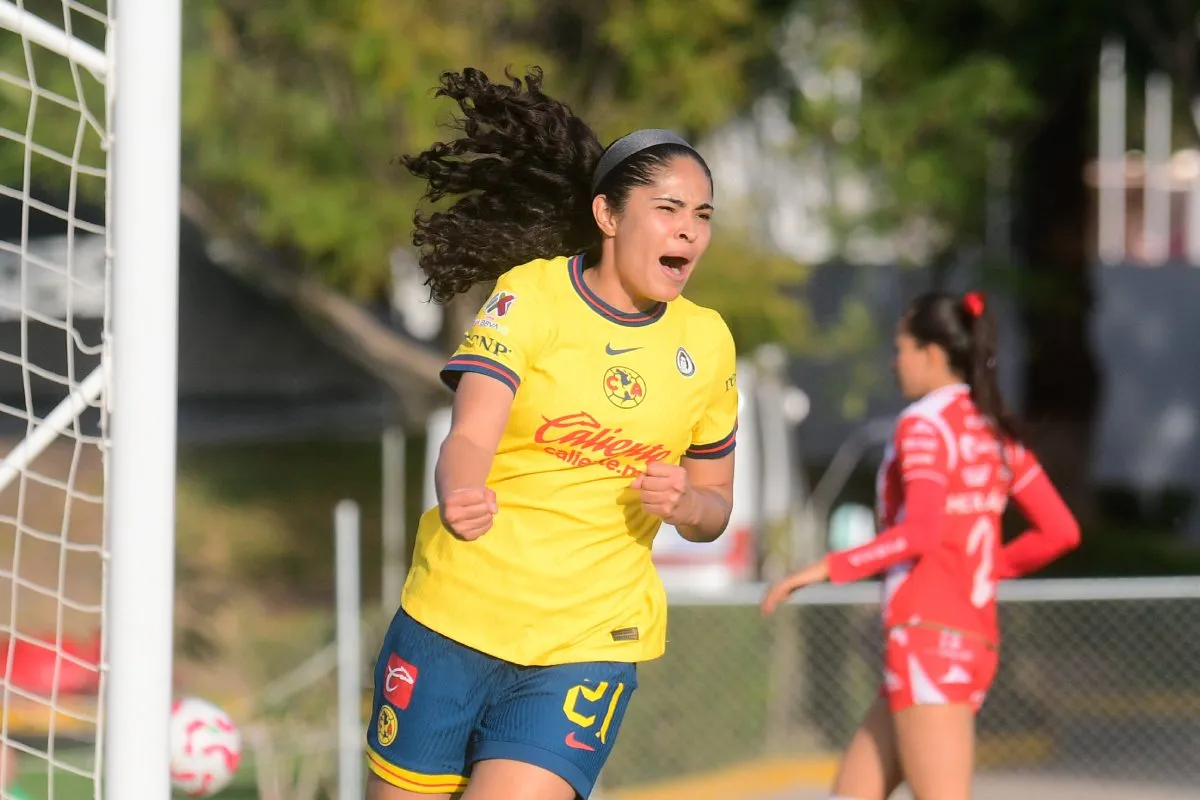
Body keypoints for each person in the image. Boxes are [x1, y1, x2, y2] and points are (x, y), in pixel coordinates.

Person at [365, 66, 739, 800]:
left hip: (589, 643)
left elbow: (715, 503)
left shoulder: (710, 342)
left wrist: (689, 506)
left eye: (702, 215)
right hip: (456, 619)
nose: (689, 231)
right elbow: (470, 431)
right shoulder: (530, 295)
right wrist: (461, 486)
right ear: (608, 215)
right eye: (669, 209)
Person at [761, 291, 1081, 800]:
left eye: (901, 349)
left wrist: (824, 568)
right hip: (970, 637)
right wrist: (986, 568)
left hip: (928, 637)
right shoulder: (993, 429)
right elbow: (1061, 530)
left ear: (932, 354)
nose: (896, 362)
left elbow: (921, 533)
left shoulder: (923, 424)